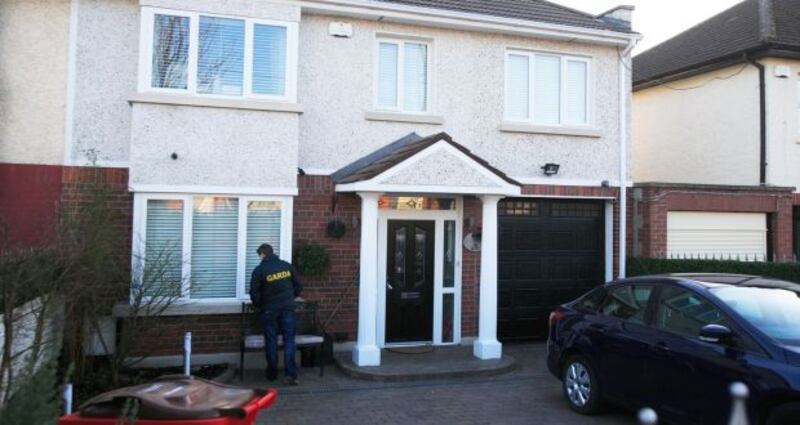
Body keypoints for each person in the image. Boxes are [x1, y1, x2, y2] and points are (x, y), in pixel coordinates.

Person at [249, 243, 303, 385]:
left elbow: (254, 293)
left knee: (271, 341)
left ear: (262, 254)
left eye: (259, 255)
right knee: (289, 341)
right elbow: (298, 286)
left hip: (269, 310)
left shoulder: (260, 270)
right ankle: (290, 375)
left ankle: (272, 373)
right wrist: (291, 297)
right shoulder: (286, 266)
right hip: (287, 308)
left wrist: (259, 305)